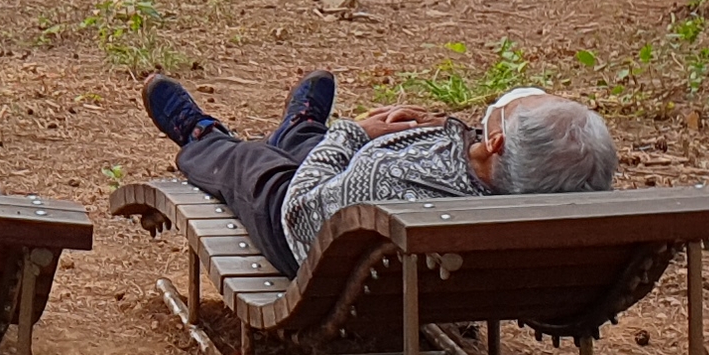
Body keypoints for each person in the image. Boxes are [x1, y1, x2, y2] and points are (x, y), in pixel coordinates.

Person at [139, 68, 619, 283]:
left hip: (315, 244)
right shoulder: (555, 200)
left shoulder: (388, 186)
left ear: (496, 144)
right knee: (313, 148)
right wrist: (435, 133)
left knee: (253, 167)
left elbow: (303, 209)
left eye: (503, 114)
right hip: (405, 254)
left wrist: (354, 132)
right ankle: (300, 128)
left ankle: (203, 137)